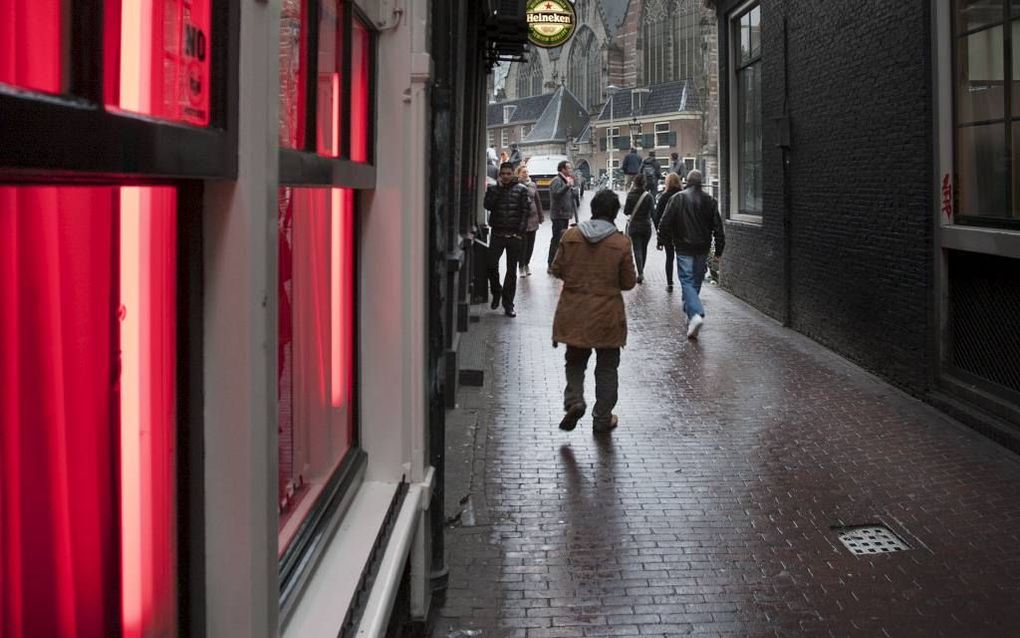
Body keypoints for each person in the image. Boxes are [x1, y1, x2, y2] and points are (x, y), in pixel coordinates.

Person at [550, 189, 637, 433]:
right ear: (615, 213)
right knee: (607, 367)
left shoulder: (571, 236)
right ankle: (602, 418)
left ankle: (575, 400)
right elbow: (628, 282)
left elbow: (557, 269)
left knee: (575, 361)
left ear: (593, 209)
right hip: (607, 315)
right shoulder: (621, 243)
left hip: (575, 311)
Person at [657, 169, 725, 339]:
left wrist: (661, 240)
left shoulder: (677, 198)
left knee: (686, 281)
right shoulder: (710, 200)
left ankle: (695, 314)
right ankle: (690, 314)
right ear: (701, 182)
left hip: (683, 247)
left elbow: (665, 222)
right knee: (695, 281)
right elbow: (718, 227)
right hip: (702, 248)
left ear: (687, 181)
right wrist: (719, 250)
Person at [483, 162, 531, 317]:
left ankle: (508, 304)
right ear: (500, 175)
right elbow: (487, 205)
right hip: (497, 234)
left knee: (511, 271)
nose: (505, 176)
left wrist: (520, 233)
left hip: (514, 236)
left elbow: (525, 212)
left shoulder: (522, 190)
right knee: (490, 265)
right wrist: (497, 191)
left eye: (508, 173)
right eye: (503, 173)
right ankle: (496, 291)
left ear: (513, 174)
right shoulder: (493, 189)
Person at [653, 172, 684, 292]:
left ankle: (670, 283)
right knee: (682, 257)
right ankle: (684, 283)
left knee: (669, 257)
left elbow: (657, 216)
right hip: (682, 232)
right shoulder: (683, 195)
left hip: (668, 233)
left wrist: (659, 232)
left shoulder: (664, 197)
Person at [546, 160, 579, 272]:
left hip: (564, 214)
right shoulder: (556, 180)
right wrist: (567, 186)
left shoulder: (566, 180)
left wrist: (573, 189)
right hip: (558, 214)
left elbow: (570, 195)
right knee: (556, 239)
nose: (570, 170)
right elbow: (556, 194)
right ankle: (551, 264)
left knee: (562, 239)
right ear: (563, 169)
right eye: (568, 168)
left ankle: (559, 263)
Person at [623, 173, 654, 284]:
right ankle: (641, 271)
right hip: (646, 226)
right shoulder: (649, 196)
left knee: (637, 249)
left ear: (635, 183)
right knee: (644, 248)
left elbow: (626, 211)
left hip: (635, 225)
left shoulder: (631, 195)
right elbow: (653, 212)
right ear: (644, 183)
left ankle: (640, 272)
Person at [515, 164, 544, 276]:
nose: (526, 174)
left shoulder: (532, 185)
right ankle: (521, 266)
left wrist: (541, 216)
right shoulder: (517, 186)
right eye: (523, 172)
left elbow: (538, 201)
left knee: (531, 245)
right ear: (519, 174)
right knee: (523, 245)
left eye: (527, 172)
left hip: (533, 218)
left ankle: (527, 264)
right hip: (522, 219)